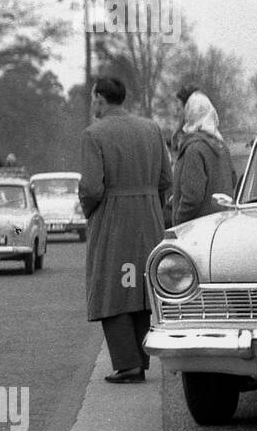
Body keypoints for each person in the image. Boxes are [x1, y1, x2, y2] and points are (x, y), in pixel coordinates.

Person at [79, 76, 172, 383]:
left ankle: (128, 363)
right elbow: (165, 180)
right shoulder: (152, 128)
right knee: (142, 288)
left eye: (94, 99)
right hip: (148, 218)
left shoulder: (94, 134)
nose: (93, 104)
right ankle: (141, 359)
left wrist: (89, 211)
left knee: (112, 289)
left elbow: (92, 187)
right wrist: (151, 206)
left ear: (100, 99)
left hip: (112, 219)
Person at [171, 92, 236, 225]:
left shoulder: (194, 148)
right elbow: (233, 179)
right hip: (222, 223)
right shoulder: (221, 145)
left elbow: (192, 196)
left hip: (197, 228)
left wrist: (179, 221)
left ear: (190, 114)